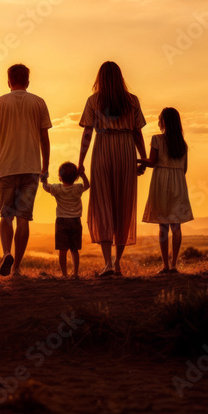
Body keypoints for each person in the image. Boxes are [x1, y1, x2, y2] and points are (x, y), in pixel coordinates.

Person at [77, 62, 147, 277]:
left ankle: (107, 263)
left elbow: (88, 132)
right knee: (122, 204)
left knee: (103, 204)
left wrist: (81, 161)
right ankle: (117, 263)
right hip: (126, 151)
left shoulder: (93, 100)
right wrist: (142, 157)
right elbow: (137, 133)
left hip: (103, 149)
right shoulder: (132, 100)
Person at [0, 64, 51, 277]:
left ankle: (6, 252)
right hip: (31, 168)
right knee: (24, 217)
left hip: (6, 168)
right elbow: (44, 138)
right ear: (28, 82)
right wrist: (45, 167)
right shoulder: (39, 102)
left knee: (6, 215)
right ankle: (17, 268)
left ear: (8, 82)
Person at [140, 107, 193, 274]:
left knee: (163, 225)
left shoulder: (157, 139)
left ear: (163, 121)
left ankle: (165, 266)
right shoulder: (182, 144)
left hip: (162, 182)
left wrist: (137, 160)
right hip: (178, 182)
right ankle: (175, 265)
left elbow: (151, 162)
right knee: (176, 225)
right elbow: (184, 168)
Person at [42, 162, 89, 279]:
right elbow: (87, 185)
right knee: (74, 249)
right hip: (76, 222)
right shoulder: (78, 188)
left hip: (62, 222)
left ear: (60, 177)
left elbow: (46, 187)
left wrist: (44, 180)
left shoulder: (57, 188)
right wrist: (83, 174)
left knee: (62, 250)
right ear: (76, 177)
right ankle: (75, 273)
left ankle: (64, 274)